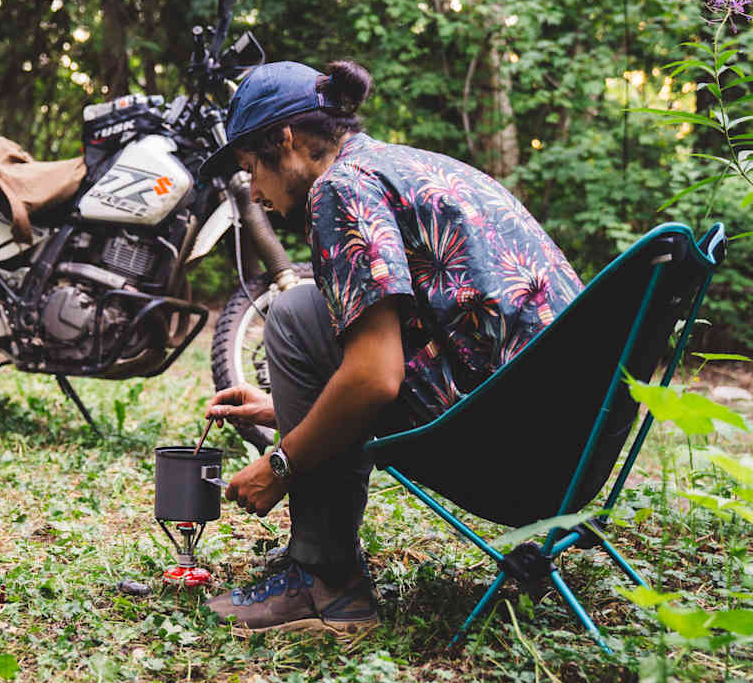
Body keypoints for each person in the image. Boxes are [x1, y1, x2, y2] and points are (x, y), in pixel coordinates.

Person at [198, 60, 584, 639]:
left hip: (512, 461)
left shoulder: (340, 188)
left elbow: (378, 378)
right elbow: (439, 348)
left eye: (252, 168)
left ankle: (323, 580)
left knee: (297, 312)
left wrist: (279, 464)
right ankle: (321, 572)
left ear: (287, 140)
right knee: (314, 318)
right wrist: (289, 408)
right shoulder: (408, 164)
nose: (253, 191)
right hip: (573, 445)